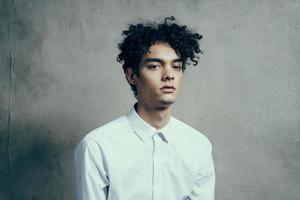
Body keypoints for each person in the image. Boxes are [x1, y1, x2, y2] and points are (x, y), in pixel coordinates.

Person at [74, 16, 215, 200]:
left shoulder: (198, 146)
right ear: (132, 76)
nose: (169, 75)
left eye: (177, 66)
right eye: (155, 66)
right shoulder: (97, 146)